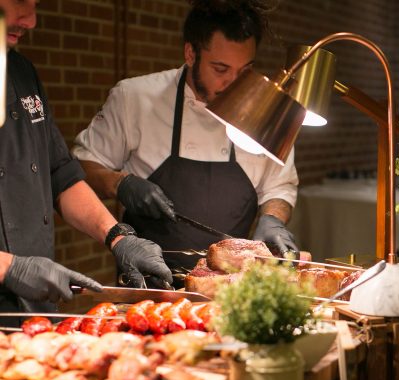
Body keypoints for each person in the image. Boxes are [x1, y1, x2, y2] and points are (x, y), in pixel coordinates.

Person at [71, 0, 299, 273]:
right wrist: (121, 184)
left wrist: (273, 219)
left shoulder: (266, 111)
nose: (234, 84)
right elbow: (80, 169)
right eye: (220, 69)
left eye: (244, 71)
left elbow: (279, 186)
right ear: (190, 54)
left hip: (232, 288)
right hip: (149, 284)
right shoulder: (135, 98)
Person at [0, 0, 173, 327]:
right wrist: (9, 267)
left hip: (32, 318)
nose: (32, 19)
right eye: (20, 0)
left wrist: (118, 236)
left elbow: (59, 174)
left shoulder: (21, 72)